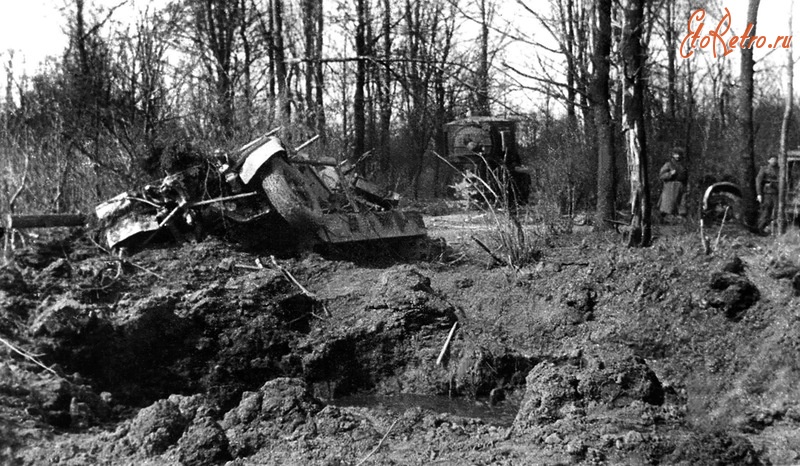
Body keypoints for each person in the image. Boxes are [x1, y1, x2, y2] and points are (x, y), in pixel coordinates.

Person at [658, 148, 688, 221]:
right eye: (676, 154)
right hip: (670, 187)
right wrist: (670, 173)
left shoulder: (683, 165)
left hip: (681, 186)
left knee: (681, 203)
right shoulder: (668, 164)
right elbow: (661, 176)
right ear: (673, 155)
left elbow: (686, 177)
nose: (677, 156)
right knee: (668, 205)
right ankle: (666, 219)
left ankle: (679, 219)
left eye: (679, 155)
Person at [756, 156, 779, 233]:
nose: (774, 161)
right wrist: (759, 194)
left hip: (777, 193)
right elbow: (758, 181)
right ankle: (760, 229)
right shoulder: (764, 169)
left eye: (775, 159)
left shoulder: (780, 169)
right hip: (767, 193)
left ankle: (772, 230)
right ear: (768, 160)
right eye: (772, 159)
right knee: (766, 211)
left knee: (776, 211)